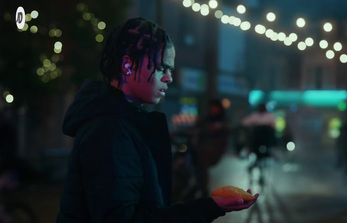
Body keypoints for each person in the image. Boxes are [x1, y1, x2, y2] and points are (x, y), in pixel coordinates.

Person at [56, 17, 258, 223]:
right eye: (162, 67)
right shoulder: (109, 130)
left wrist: (211, 205)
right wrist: (207, 207)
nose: (169, 78)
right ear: (127, 65)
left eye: (170, 69)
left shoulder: (121, 124)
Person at [241, 103, 276, 185]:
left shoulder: (270, 115)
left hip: (266, 139)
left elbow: (274, 126)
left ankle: (272, 151)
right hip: (256, 139)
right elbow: (245, 122)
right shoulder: (255, 115)